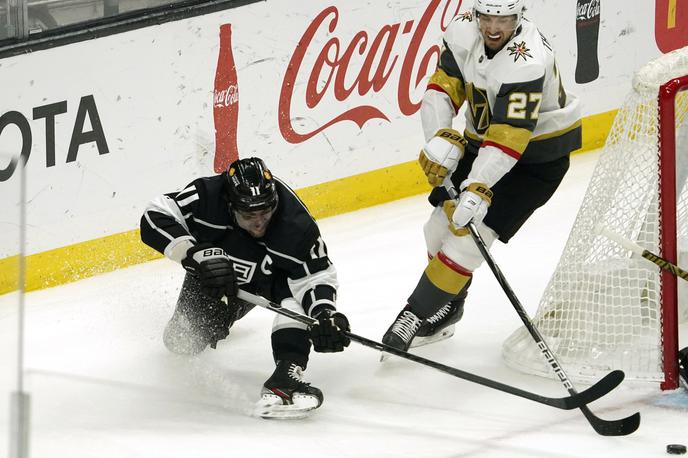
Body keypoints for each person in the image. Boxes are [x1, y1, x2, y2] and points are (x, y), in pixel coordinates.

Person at [382, 0, 581, 351]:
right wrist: (439, 137)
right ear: (475, 14)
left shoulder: (527, 60)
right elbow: (442, 89)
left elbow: (510, 136)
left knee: (468, 239)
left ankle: (415, 313)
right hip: (484, 143)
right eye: (486, 16)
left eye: (503, 19)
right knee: (437, 227)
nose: (493, 28)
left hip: (535, 161)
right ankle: (447, 306)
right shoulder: (462, 30)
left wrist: (478, 186)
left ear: (519, 17)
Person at [140, 157, 350, 418]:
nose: (259, 222)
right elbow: (154, 215)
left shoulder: (295, 223)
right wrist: (193, 254)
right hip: (215, 276)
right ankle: (226, 313)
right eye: (249, 215)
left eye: (265, 213)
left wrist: (324, 315)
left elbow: (315, 276)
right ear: (230, 205)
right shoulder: (207, 196)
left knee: (299, 300)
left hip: (268, 277)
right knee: (181, 343)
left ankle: (286, 375)